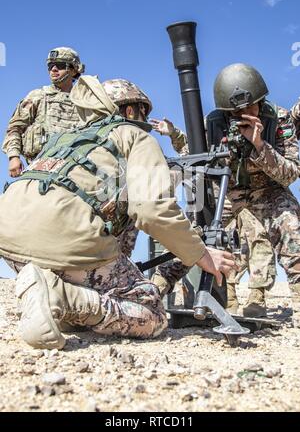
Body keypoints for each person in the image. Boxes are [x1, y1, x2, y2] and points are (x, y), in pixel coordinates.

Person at [0, 76, 236, 350]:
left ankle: (54, 293)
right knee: (152, 314)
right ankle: (60, 296)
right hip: (63, 244)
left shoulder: (67, 139)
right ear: (129, 111)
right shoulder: (134, 136)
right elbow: (151, 210)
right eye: (142, 111)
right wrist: (202, 255)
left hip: (9, 240)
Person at [151, 63, 300, 324]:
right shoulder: (216, 122)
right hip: (226, 189)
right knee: (191, 233)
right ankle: (151, 295)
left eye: (249, 107)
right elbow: (195, 154)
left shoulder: (279, 119)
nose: (243, 114)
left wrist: (259, 144)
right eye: (236, 111)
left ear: (261, 101)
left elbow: (290, 172)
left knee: (292, 227)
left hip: (268, 189)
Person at [2, 47, 86, 177]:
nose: (53, 69)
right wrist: (13, 157)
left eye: (59, 65)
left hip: (74, 170)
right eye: (50, 66)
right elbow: (14, 128)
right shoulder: (38, 96)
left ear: (74, 69)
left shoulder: (84, 101)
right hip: (39, 169)